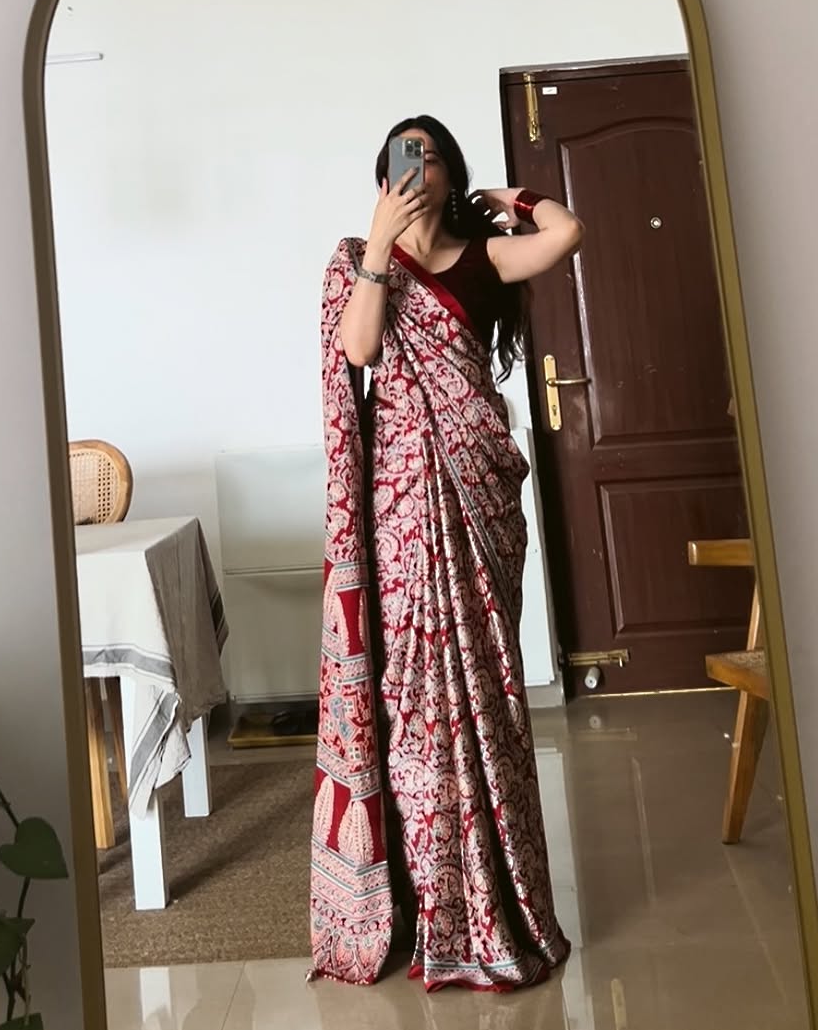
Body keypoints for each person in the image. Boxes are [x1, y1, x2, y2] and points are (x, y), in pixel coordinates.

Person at [308, 115, 583, 992]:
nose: (417, 166)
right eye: (404, 155)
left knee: (486, 693)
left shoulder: (481, 256)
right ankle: (433, 906)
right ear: (383, 176)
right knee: (416, 700)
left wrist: (511, 197)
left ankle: (500, 898)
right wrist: (378, 248)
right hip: (402, 507)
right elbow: (358, 348)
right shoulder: (360, 259)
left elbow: (566, 234)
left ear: (450, 172)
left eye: (431, 155)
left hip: (477, 494)